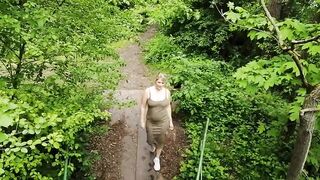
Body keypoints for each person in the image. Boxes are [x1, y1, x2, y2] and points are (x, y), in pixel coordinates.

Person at [140, 73, 174, 171]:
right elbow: (143, 106)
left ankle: (157, 158)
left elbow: (168, 106)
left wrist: (170, 121)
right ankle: (153, 145)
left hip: (163, 121)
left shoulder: (167, 92)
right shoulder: (148, 91)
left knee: (161, 140)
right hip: (150, 121)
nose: (160, 84)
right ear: (155, 81)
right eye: (158, 82)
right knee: (150, 139)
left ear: (164, 84)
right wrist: (142, 120)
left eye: (162, 83)